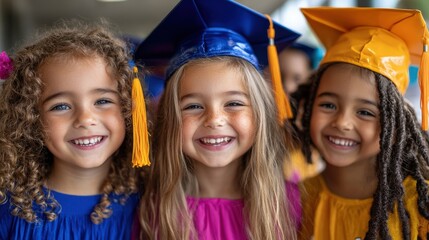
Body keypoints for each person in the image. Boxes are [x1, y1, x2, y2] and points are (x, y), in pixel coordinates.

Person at [133, 0, 302, 239]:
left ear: (261, 112)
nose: (214, 119)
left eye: (233, 103)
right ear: (169, 117)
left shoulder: (290, 204)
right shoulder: (150, 209)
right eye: (193, 106)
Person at [0, 20, 150, 239]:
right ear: (29, 118)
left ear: (128, 108)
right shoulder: (8, 208)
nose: (85, 119)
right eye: (61, 106)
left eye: (102, 101)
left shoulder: (149, 205)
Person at [298, 7, 429, 239]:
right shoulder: (298, 196)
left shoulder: (419, 205)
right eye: (328, 105)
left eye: (365, 112)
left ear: (395, 127)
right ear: (308, 107)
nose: (343, 123)